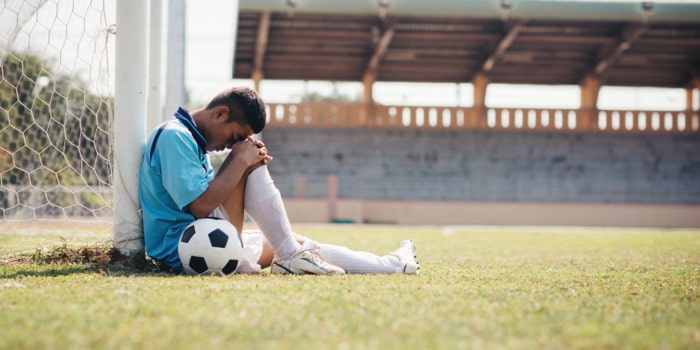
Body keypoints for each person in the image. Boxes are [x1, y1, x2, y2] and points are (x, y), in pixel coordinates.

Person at [138, 86, 419, 275]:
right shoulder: (176, 136)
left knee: (302, 244)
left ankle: (392, 265)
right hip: (183, 246)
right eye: (234, 136)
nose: (228, 145)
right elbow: (200, 207)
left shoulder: (189, 139)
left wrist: (242, 156)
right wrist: (240, 159)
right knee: (249, 158)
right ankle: (290, 256)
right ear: (220, 113)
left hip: (201, 241)